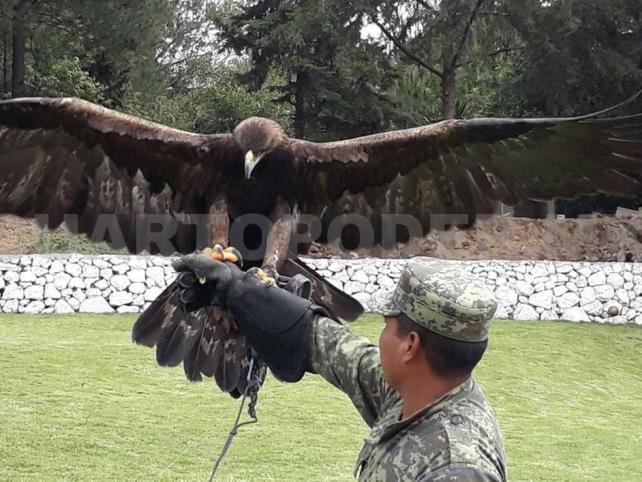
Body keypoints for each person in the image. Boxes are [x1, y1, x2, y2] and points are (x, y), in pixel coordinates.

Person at [174, 255, 507, 481]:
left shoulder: (457, 468)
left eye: (387, 326)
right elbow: (327, 344)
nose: (380, 338)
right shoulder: (417, 391)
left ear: (410, 346)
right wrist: (237, 290)